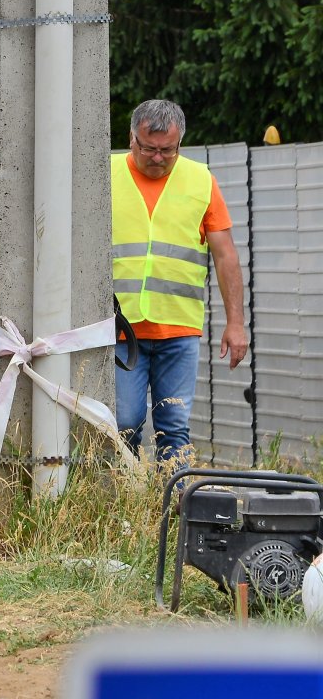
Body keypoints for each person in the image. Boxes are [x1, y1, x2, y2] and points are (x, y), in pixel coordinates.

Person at [111, 99, 246, 465]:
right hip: (121, 330)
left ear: (179, 145)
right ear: (132, 139)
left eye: (167, 151)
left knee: (174, 426)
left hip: (179, 329)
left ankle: (176, 507)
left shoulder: (201, 180)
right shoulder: (105, 175)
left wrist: (236, 324)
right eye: (148, 148)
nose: (157, 158)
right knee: (124, 423)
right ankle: (127, 504)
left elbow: (226, 255)